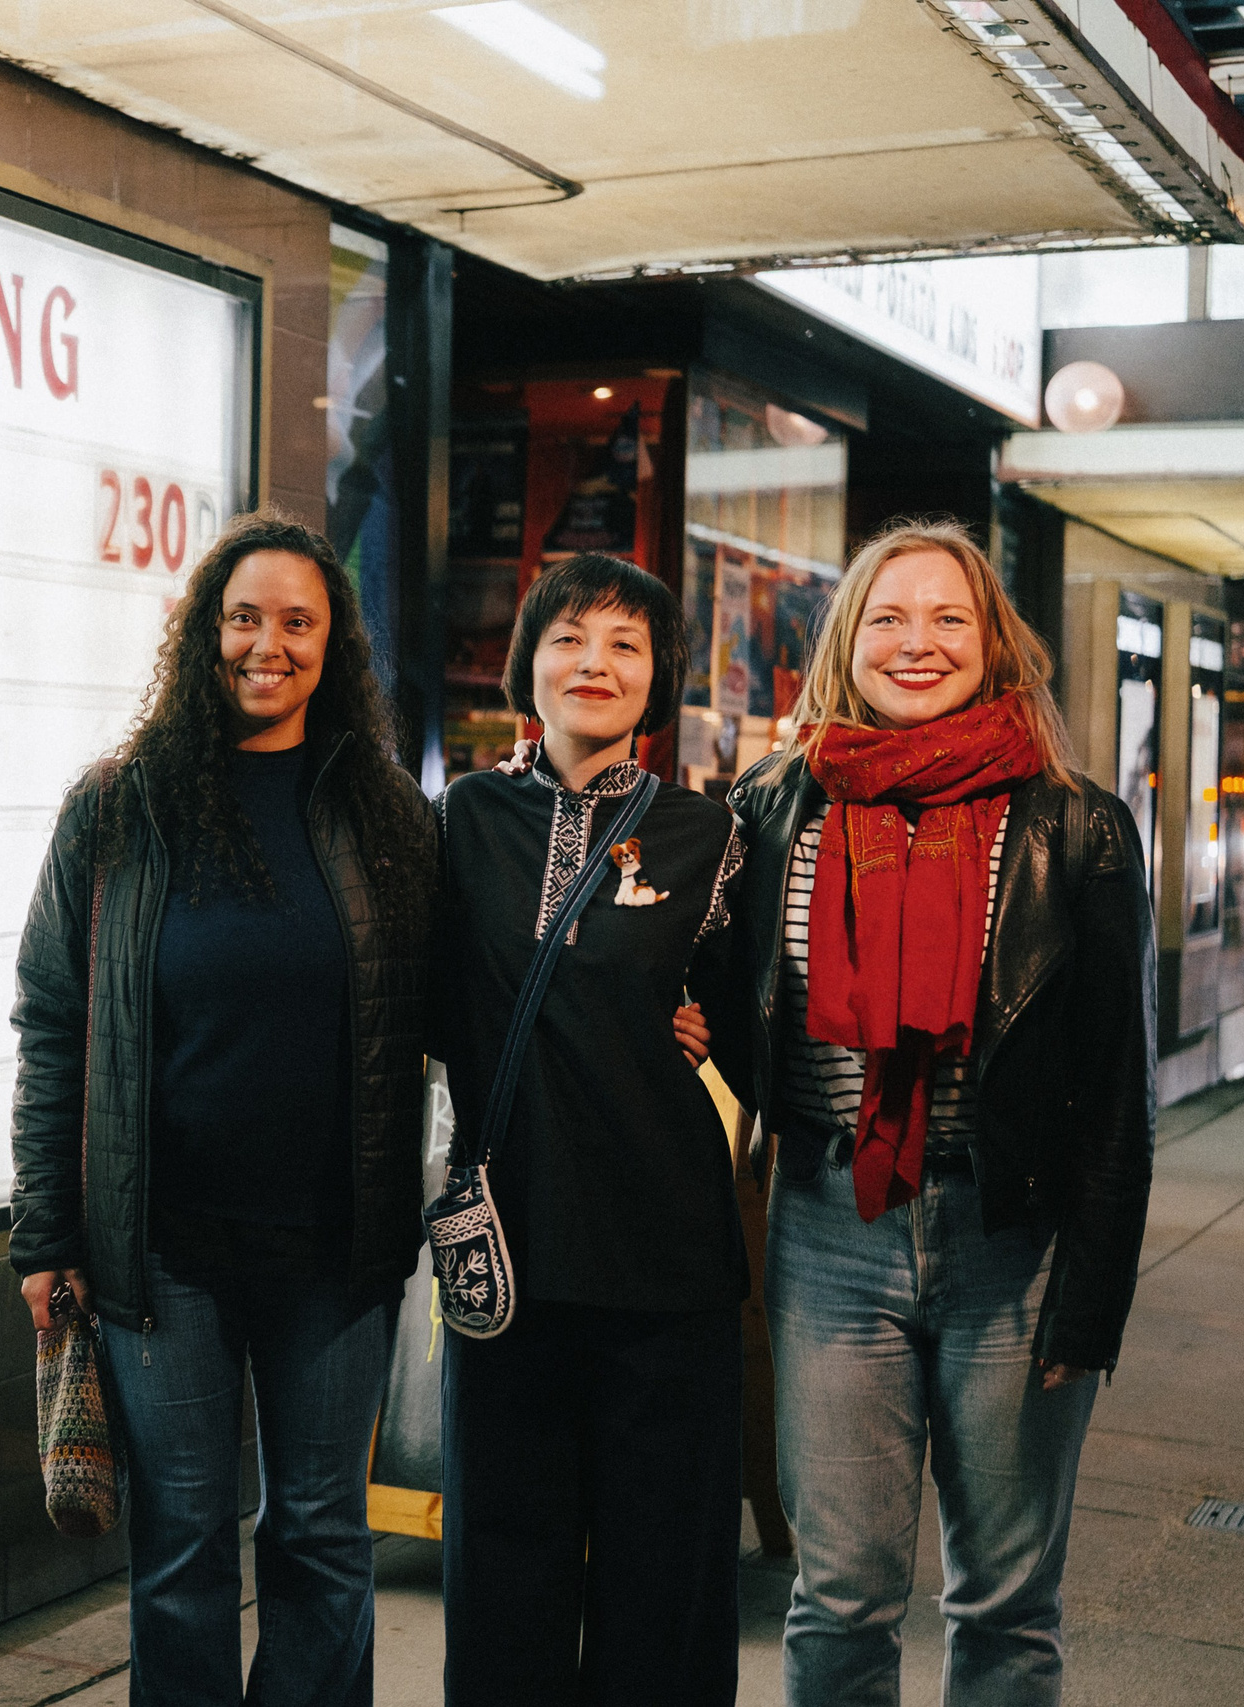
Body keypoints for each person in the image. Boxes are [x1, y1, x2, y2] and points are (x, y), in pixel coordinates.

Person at [7, 510, 435, 1707]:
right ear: (203, 634)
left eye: (297, 622)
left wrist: (660, 1012)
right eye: (243, 617)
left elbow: (459, 997)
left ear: (330, 642)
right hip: (162, 1250)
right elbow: (51, 1024)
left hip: (332, 1248)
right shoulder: (118, 810)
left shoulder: (382, 813)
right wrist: (45, 1233)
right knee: (182, 1546)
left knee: (318, 1536)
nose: (268, 644)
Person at [725, 519, 1155, 1706]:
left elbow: (1121, 1088)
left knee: (1006, 1607)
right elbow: (720, 989)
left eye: (948, 619)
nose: (917, 644)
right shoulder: (773, 809)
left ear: (993, 643)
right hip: (826, 1230)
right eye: (889, 618)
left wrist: (1094, 1299)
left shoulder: (1076, 827)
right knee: (841, 1597)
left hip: (1013, 1240)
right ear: (847, 641)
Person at [434, 552, 751, 1707]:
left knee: (661, 1585)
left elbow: (756, 1025)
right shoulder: (459, 820)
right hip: (507, 1255)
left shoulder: (706, 835)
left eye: (625, 643)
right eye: (569, 637)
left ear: (659, 675)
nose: (595, 663)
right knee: (502, 1575)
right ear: (529, 662)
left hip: (664, 1261)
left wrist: (709, 1023)